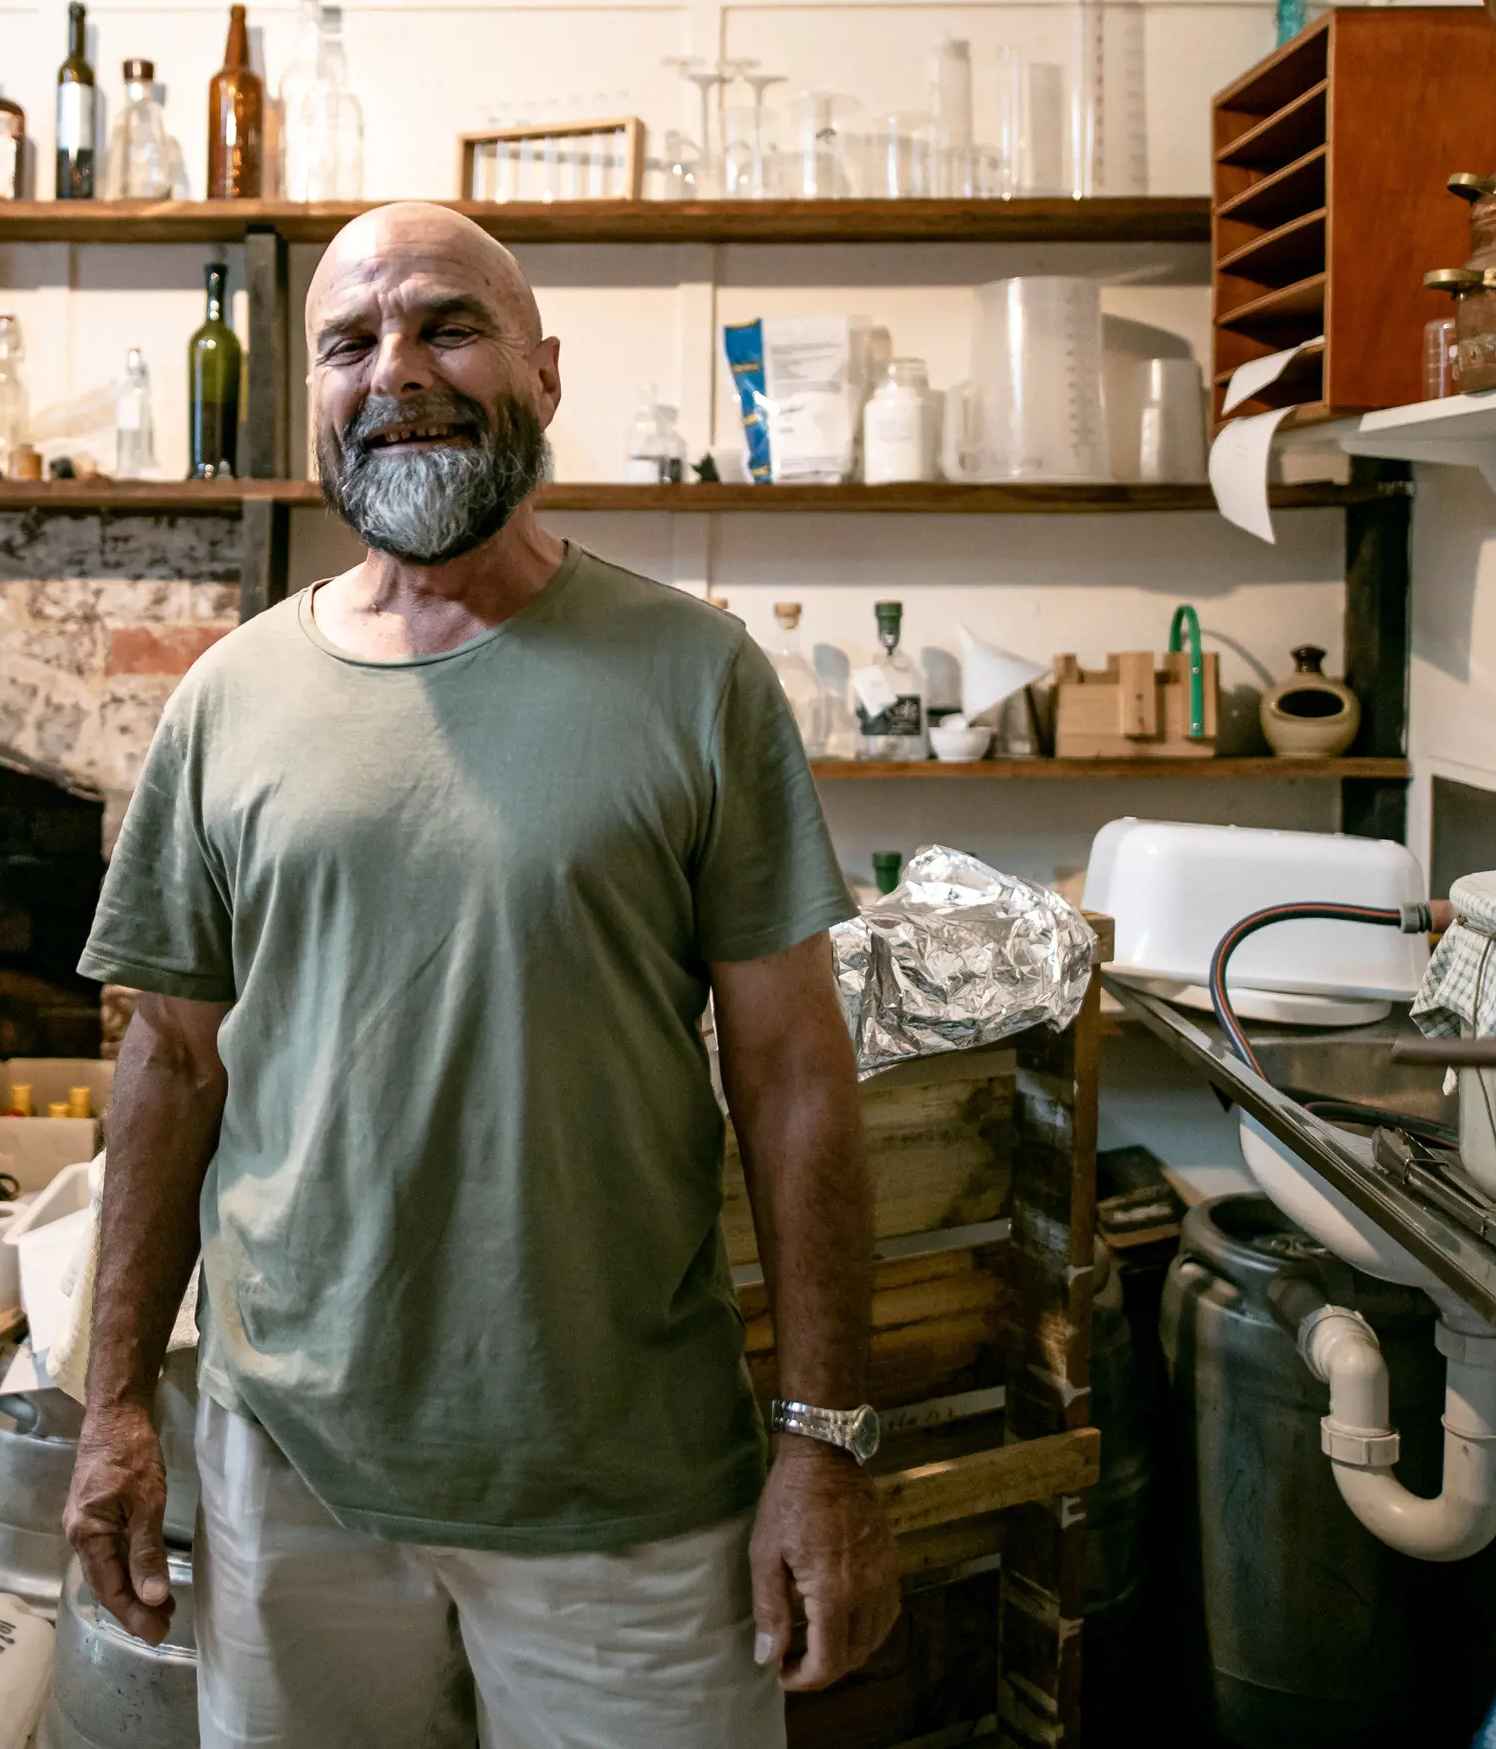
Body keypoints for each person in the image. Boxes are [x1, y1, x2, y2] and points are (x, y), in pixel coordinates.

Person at [67, 200, 898, 1748]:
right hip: (287, 1475)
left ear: (544, 370)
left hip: (623, 1485)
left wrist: (823, 1441)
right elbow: (169, 1066)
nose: (398, 371)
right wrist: (114, 1403)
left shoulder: (692, 674)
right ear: (308, 393)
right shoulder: (229, 699)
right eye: (349, 342)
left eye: (446, 325)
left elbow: (793, 1072)